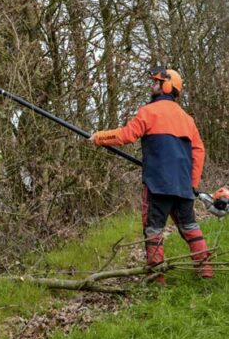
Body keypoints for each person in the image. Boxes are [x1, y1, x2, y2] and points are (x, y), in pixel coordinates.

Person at [89, 66, 212, 282]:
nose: (152, 85)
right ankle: (206, 272)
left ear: (167, 86)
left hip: (157, 185)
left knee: (153, 231)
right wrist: (192, 183)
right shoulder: (187, 119)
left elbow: (127, 135)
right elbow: (199, 152)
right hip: (183, 186)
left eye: (156, 82)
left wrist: (100, 137)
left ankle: (157, 279)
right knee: (190, 228)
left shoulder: (149, 112)